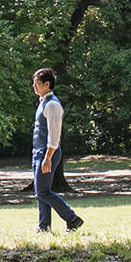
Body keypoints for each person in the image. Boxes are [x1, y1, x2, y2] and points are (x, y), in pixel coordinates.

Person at [31, 68, 83, 233]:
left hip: (48, 153)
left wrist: (47, 157)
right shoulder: (42, 103)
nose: (34, 86)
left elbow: (54, 135)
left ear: (47, 84)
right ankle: (44, 227)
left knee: (43, 192)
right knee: (41, 192)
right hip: (39, 153)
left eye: (37, 83)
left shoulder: (52, 105)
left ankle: (72, 219)